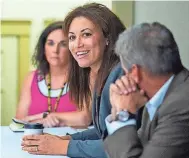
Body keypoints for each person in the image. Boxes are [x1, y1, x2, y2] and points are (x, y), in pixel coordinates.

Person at [21, 3, 126, 157]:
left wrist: (63, 147)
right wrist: (66, 139)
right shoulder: (97, 75)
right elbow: (103, 132)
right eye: (72, 37)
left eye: (86, 34)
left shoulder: (120, 75)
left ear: (108, 38)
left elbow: (119, 146)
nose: (77, 44)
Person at [104, 22, 189, 158]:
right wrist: (118, 112)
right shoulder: (158, 95)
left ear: (135, 73)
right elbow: (141, 149)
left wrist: (122, 115)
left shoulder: (180, 105)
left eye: (125, 73)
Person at [15, 21, 92, 128]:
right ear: (43, 48)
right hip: (33, 140)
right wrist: (46, 118)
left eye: (63, 44)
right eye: (50, 43)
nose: (55, 50)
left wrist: (51, 117)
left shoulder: (84, 77)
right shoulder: (31, 78)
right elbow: (20, 119)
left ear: (72, 48)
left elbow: (85, 118)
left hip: (68, 141)